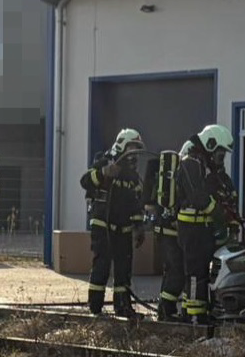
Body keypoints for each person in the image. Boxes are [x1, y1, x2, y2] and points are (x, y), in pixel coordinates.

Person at [80, 128, 146, 317]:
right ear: (122, 146)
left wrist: (139, 226)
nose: (134, 155)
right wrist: (103, 173)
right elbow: (85, 181)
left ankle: (123, 307)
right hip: (103, 226)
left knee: (124, 270)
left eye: (137, 151)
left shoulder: (133, 176)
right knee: (101, 266)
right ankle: (95, 307)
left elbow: (135, 203)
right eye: (132, 149)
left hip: (123, 229)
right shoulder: (106, 161)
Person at [176, 124, 237, 324]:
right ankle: (195, 316)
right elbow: (198, 196)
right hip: (192, 228)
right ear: (210, 145)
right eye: (220, 155)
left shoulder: (208, 166)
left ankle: (192, 311)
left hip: (203, 228)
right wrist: (219, 214)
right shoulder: (190, 163)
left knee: (203, 272)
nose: (221, 160)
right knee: (195, 273)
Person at [142, 141, 192, 321]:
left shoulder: (174, 175)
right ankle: (166, 310)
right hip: (171, 231)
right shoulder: (181, 175)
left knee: (174, 271)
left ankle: (168, 310)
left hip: (166, 231)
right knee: (177, 272)